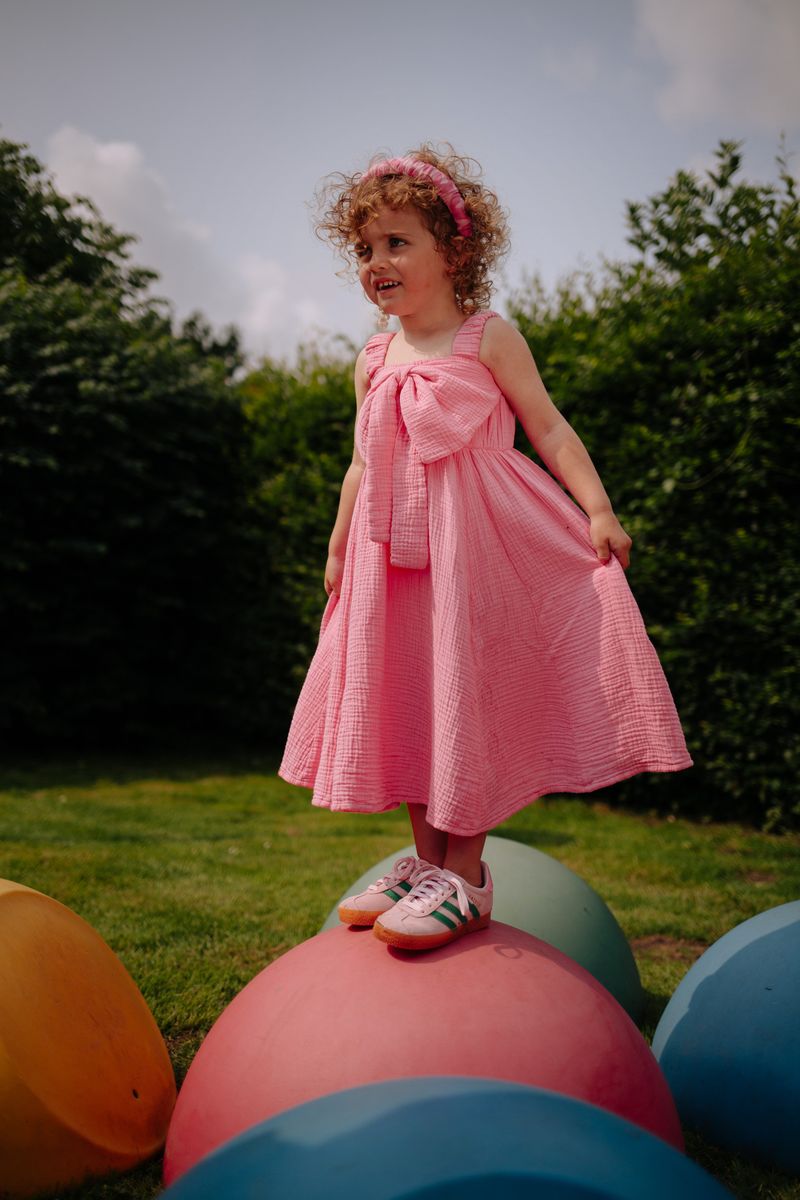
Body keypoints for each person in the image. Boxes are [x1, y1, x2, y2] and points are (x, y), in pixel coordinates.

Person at [278, 145, 692, 951]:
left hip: (476, 556)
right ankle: (426, 862)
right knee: (409, 691)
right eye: (364, 249)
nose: (376, 262)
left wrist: (598, 509)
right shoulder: (373, 359)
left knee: (465, 692)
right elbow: (361, 464)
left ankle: (465, 876)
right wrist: (337, 550)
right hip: (393, 562)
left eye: (397, 243)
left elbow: (549, 428)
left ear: (453, 252)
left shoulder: (486, 338)